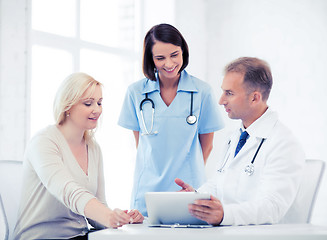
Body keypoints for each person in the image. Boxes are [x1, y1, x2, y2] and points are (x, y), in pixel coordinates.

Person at [175, 57, 305, 226]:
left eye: (229, 93)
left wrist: (224, 215)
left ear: (254, 98)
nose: (221, 100)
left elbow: (272, 207)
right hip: (233, 232)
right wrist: (196, 198)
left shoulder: (284, 143)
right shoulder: (234, 137)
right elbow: (219, 183)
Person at [13, 73, 143, 240]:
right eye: (88, 103)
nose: (97, 110)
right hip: (40, 237)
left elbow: (97, 209)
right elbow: (69, 192)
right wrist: (108, 216)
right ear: (67, 105)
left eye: (99, 103)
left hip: (79, 235)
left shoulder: (94, 148)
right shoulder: (43, 142)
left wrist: (122, 218)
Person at [118, 23, 224, 216]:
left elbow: (207, 146)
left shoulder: (202, 92)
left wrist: (192, 176)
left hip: (188, 189)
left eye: (174, 55)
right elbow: (141, 143)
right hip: (148, 192)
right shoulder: (136, 93)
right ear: (150, 59)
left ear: (183, 51)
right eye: (160, 58)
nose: (169, 63)